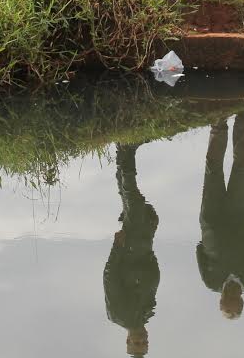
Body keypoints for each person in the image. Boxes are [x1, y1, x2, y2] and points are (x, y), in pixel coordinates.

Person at [196, 111, 244, 319]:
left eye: (225, 301)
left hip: (211, 218)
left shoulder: (211, 282)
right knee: (241, 167)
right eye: (232, 301)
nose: (227, 297)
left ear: (220, 301)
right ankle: (242, 120)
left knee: (212, 168)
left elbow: (200, 251)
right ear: (241, 300)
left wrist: (209, 235)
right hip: (239, 215)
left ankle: (219, 123)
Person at [104, 143, 160, 356]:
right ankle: (122, 151)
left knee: (134, 202)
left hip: (128, 248)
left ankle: (127, 150)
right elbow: (152, 281)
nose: (142, 341)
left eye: (136, 344)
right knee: (140, 208)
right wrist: (151, 250)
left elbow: (109, 278)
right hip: (145, 246)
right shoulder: (145, 314)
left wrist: (117, 248)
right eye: (144, 344)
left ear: (128, 340)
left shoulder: (119, 315)